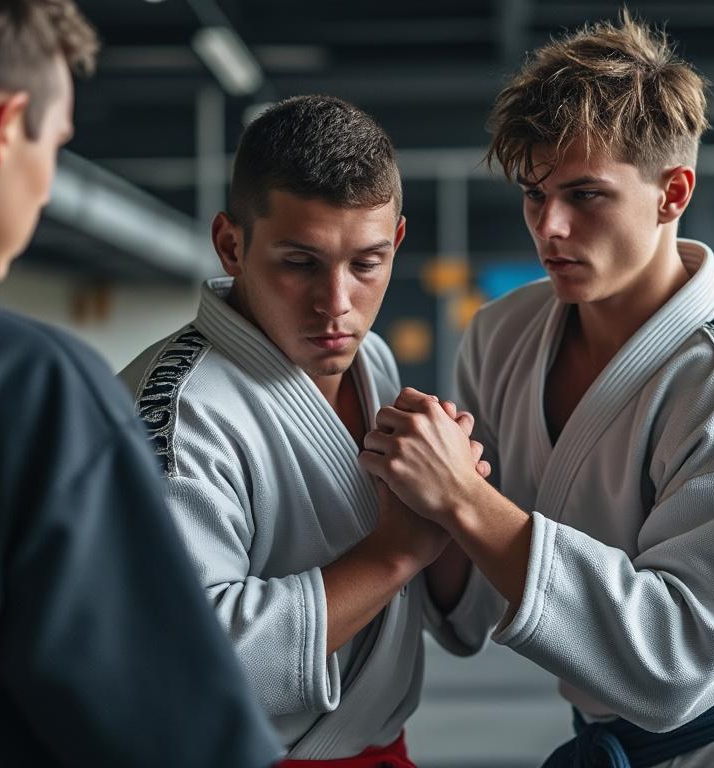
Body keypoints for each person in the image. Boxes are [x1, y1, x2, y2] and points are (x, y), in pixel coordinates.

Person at [359, 13, 714, 767]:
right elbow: (471, 606)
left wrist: (464, 499)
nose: (550, 226)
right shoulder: (504, 335)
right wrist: (419, 505)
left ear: (672, 193)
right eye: (534, 193)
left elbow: (675, 667)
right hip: (623, 740)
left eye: (586, 195)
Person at [0, 2, 282, 766]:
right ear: (2, 130)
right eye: (56, 145)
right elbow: (190, 745)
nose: (44, 186)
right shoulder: (23, 390)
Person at [119, 94, 497, 767]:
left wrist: (452, 501)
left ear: (396, 242)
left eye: (367, 263)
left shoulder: (372, 359)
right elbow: (185, 659)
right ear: (232, 245)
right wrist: (394, 553)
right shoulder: (178, 410)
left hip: (382, 749)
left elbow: (443, 616)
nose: (337, 305)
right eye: (300, 264)